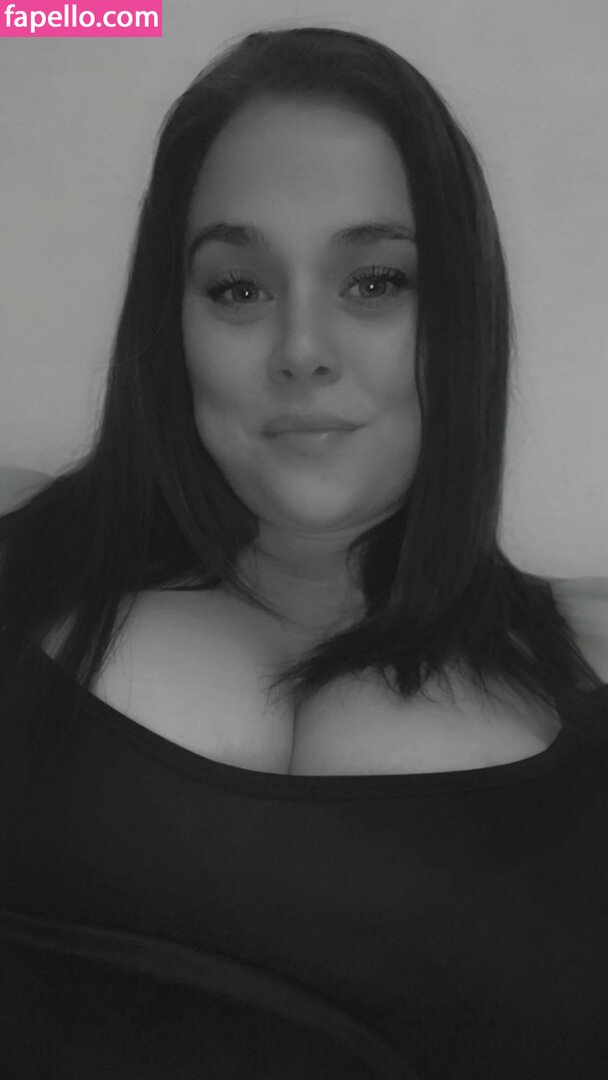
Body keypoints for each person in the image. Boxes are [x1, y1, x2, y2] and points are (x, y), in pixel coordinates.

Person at [0, 24, 607, 1080]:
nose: (301, 351)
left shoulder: (585, 652)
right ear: (170, 324)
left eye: (374, 282)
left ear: (460, 311)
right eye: (238, 288)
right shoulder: (22, 548)